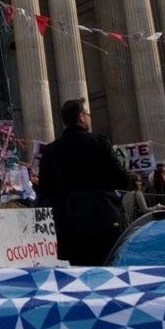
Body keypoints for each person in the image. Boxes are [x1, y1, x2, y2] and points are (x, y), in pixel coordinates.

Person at [35, 98, 129, 265]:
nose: (90, 118)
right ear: (81, 117)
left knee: (81, 278)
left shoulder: (51, 151)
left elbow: (44, 192)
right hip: (104, 220)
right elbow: (121, 180)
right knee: (110, 271)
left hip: (70, 225)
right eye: (88, 114)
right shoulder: (100, 143)